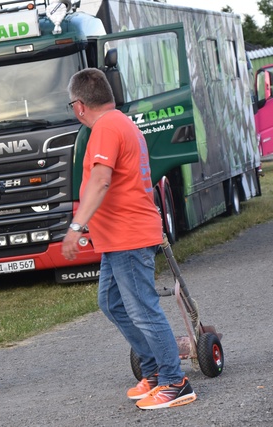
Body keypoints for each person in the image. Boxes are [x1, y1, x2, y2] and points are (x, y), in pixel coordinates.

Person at [62, 68, 196, 410]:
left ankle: (174, 382)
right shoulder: (120, 122)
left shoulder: (106, 127)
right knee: (113, 304)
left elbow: (101, 181)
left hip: (127, 236)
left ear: (79, 105)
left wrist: (76, 227)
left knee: (143, 310)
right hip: (117, 237)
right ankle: (153, 371)